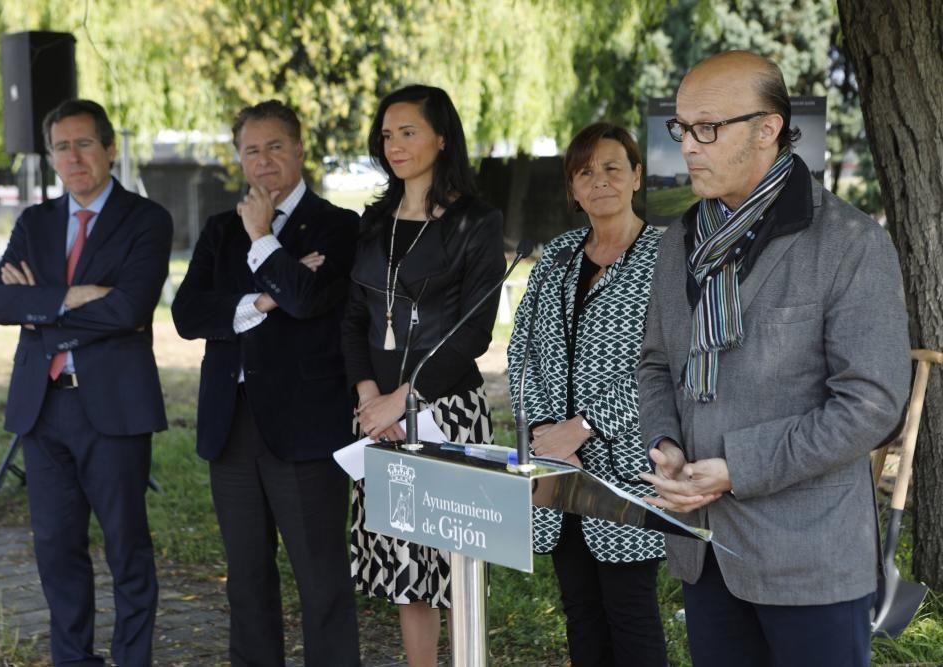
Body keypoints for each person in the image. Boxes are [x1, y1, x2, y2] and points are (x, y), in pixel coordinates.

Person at [637, 50, 911, 666]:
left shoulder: (849, 243)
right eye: (681, 129)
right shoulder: (680, 241)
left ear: (767, 129)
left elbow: (872, 404)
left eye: (708, 128)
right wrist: (667, 442)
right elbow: (655, 363)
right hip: (706, 550)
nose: (688, 146)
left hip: (808, 557)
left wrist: (738, 466)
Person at [171, 100, 361, 666]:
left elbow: (306, 302)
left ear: (300, 150)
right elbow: (186, 315)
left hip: (305, 431)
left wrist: (264, 240)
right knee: (247, 581)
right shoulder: (217, 230)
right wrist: (261, 298)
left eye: (275, 146)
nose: (263, 160)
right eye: (251, 150)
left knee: (321, 579)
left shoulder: (340, 226)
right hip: (230, 427)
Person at [0, 99, 171, 666]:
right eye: (62, 147)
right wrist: (69, 297)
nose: (74, 157)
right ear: (51, 157)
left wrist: (37, 309)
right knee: (56, 552)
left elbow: (131, 308)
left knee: (126, 548)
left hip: (113, 409)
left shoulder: (146, 220)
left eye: (85, 143)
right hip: (44, 410)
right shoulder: (34, 223)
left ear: (110, 149)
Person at [341, 84, 505, 667]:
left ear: (441, 137)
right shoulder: (375, 221)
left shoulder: (476, 222)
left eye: (408, 131)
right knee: (405, 566)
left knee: (452, 562)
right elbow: (354, 318)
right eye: (387, 134)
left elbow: (473, 332)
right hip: (377, 416)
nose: (395, 144)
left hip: (445, 414)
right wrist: (368, 396)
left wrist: (402, 402)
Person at [506, 122, 668, 667]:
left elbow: (667, 366)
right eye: (584, 171)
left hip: (626, 472)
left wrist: (584, 426)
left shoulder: (668, 257)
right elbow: (521, 353)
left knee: (632, 617)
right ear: (572, 189)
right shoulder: (556, 257)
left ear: (636, 176)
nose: (598, 180)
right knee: (580, 613)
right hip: (557, 468)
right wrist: (542, 432)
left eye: (611, 168)